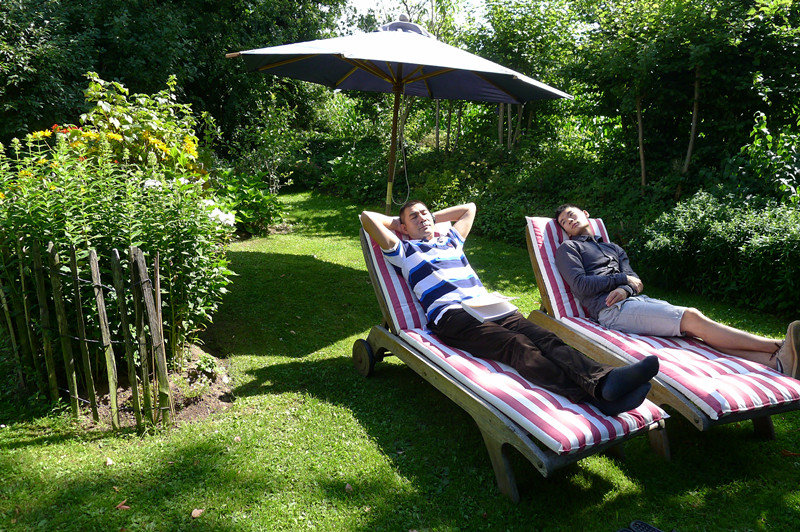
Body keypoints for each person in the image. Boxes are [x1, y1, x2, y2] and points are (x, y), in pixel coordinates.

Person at [361, 200, 659, 416]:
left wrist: (430, 218)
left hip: (489, 306)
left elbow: (469, 208)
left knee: (546, 338)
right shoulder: (403, 251)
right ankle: (596, 396)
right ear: (403, 227)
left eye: (425, 213)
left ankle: (605, 379)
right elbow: (367, 217)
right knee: (517, 345)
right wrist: (399, 225)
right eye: (414, 217)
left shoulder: (450, 241)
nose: (423, 218)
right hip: (452, 316)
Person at [553, 203, 800, 378]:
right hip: (610, 311)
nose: (569, 221)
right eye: (564, 222)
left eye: (571, 215)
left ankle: (778, 364)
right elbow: (580, 285)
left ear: (586, 214)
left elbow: (636, 281)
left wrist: (627, 288)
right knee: (691, 316)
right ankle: (777, 345)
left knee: (697, 333)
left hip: (634, 301)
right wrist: (622, 279)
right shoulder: (569, 249)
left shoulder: (614, 248)